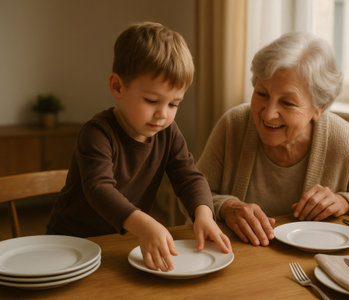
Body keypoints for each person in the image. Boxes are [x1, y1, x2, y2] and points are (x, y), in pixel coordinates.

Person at [47, 21, 231, 271]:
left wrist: (204, 214)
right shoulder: (97, 133)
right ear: (117, 86)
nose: (163, 115)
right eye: (152, 100)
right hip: (70, 244)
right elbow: (99, 189)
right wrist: (145, 224)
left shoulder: (168, 133)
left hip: (118, 241)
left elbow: (189, 177)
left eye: (174, 104)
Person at [197, 32, 349, 247]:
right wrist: (227, 207)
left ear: (319, 108)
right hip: (235, 257)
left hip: (311, 264)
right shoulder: (233, 124)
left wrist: (344, 201)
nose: (269, 114)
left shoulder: (342, 139)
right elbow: (192, 194)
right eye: (262, 94)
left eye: (287, 103)